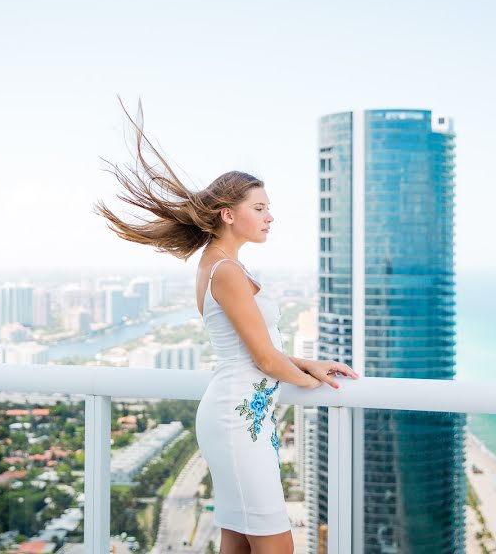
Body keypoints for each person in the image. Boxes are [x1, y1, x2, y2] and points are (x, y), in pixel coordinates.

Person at [95, 99, 359, 553]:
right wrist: (317, 385)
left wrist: (309, 364)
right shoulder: (227, 272)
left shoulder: (220, 267)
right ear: (228, 214)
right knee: (277, 546)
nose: (270, 216)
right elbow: (261, 358)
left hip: (244, 417)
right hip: (237, 422)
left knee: (238, 542)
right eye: (260, 208)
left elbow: (254, 350)